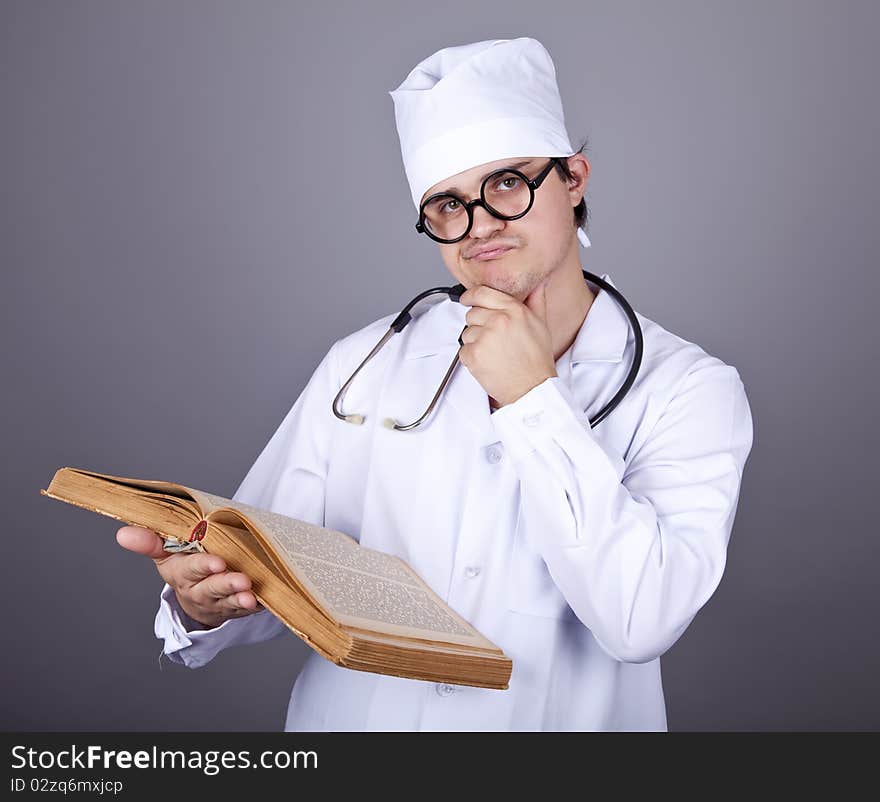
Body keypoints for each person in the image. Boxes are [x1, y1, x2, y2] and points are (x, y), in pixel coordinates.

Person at [117, 37, 754, 731]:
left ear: (574, 178)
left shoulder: (689, 388)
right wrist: (201, 603)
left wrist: (533, 398)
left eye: (508, 182)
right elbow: (266, 575)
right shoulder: (364, 365)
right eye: (447, 204)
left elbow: (641, 621)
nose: (479, 225)